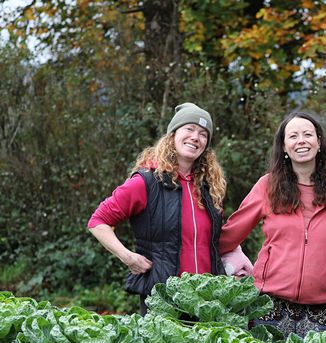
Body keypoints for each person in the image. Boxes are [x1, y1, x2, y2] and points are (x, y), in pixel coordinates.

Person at [219, 111, 326, 337]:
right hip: (269, 305)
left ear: (319, 142)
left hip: (324, 308)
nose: (301, 140)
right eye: (293, 136)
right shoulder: (267, 186)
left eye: (308, 134)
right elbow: (229, 236)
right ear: (284, 147)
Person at [88, 103, 227, 315]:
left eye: (203, 134)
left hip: (207, 302)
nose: (195, 137)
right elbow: (98, 222)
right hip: (163, 300)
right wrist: (128, 257)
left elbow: (216, 240)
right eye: (189, 129)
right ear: (173, 134)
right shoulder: (147, 182)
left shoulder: (210, 188)